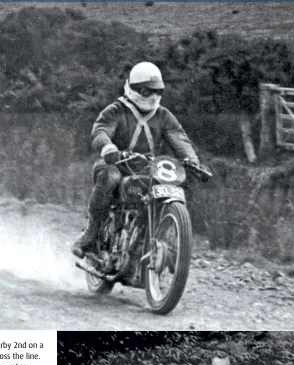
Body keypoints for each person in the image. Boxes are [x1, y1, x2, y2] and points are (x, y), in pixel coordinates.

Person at [72, 61, 202, 258]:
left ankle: (156, 239)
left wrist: (191, 160)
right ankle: (91, 233)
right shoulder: (116, 110)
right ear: (135, 89)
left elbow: (179, 138)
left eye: (158, 92)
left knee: (173, 185)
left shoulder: (164, 116)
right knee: (110, 177)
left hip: (148, 168)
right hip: (114, 163)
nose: (154, 97)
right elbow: (100, 130)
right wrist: (108, 147)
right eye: (147, 91)